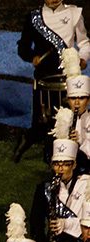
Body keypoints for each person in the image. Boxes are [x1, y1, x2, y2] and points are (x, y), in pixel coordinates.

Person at [15, 0, 90, 163]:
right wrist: (31, 57)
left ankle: (55, 154)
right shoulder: (34, 17)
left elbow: (84, 42)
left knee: (66, 119)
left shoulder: (74, 14)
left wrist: (83, 58)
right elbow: (23, 47)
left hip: (67, 77)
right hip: (43, 78)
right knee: (41, 123)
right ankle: (27, 138)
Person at [30, 127, 89, 242]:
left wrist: (67, 225)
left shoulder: (86, 185)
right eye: (57, 164)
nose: (60, 169)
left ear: (74, 165)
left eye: (65, 164)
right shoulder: (45, 188)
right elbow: (36, 223)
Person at [64, 48, 90, 172]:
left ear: (88, 100)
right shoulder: (62, 119)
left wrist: (78, 144)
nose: (77, 102)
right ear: (68, 100)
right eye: (73, 98)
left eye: (82, 98)